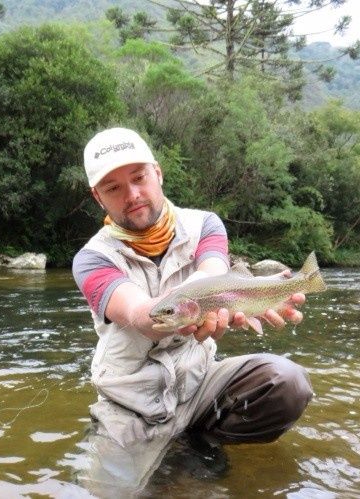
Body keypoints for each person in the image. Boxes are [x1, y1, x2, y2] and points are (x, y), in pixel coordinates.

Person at [72, 127, 313, 493]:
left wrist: (250, 298)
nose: (132, 194)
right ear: (97, 197)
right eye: (114, 187)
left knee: (287, 383)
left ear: (158, 172)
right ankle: (174, 450)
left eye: (139, 178)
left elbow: (213, 274)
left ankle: (198, 439)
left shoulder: (204, 224)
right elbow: (141, 316)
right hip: (131, 405)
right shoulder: (91, 260)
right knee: (104, 492)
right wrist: (175, 315)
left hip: (199, 385)